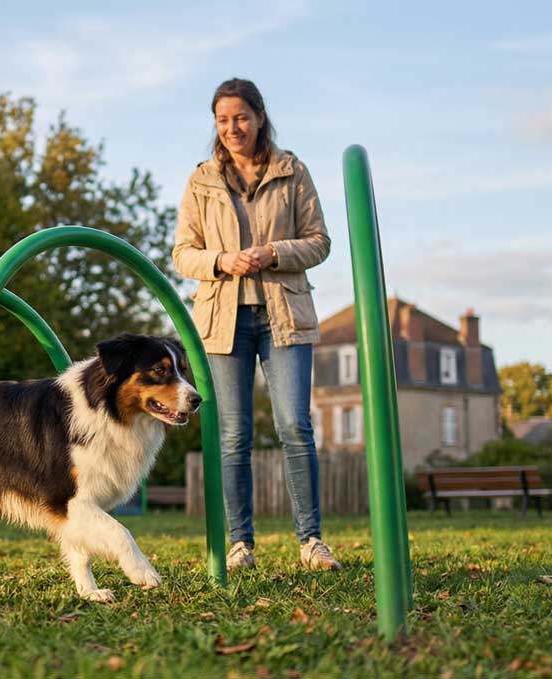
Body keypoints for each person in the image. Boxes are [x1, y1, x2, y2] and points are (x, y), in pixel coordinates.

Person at [172, 78, 340, 572]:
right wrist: (223, 259)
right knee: (233, 435)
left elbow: (319, 241)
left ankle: (311, 540)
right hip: (224, 320)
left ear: (260, 117)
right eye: (222, 120)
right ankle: (240, 543)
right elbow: (184, 253)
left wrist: (273, 253)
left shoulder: (293, 171)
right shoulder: (201, 180)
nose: (232, 128)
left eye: (240, 118)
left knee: (295, 425)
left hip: (283, 315)